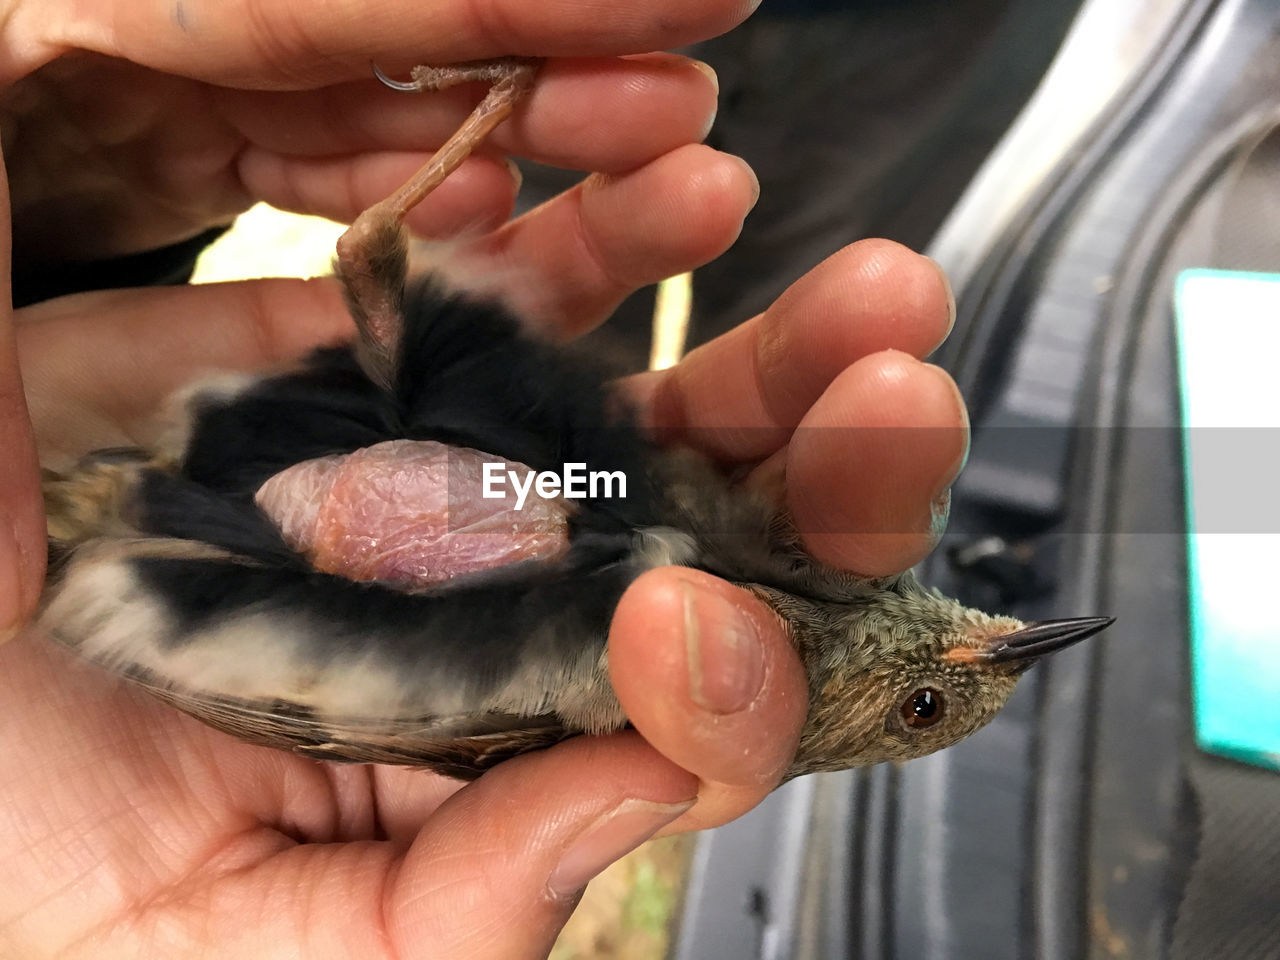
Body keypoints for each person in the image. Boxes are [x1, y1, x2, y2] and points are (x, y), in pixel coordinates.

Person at [0, 0, 967, 955]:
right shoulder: (734, 545)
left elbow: (354, 706)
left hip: (257, 550)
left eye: (924, 702)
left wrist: (106, 593)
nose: (962, 648)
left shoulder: (637, 694)